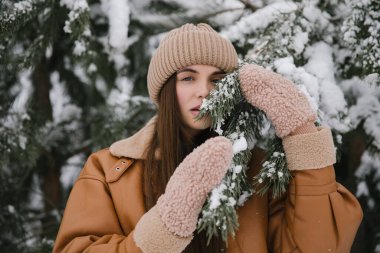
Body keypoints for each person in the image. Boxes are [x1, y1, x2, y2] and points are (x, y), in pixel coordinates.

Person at [53, 23, 363, 253]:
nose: (204, 91)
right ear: (164, 90)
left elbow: (319, 246)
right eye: (188, 77)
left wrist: (300, 130)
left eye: (216, 79)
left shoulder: (257, 169)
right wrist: (164, 228)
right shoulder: (110, 170)